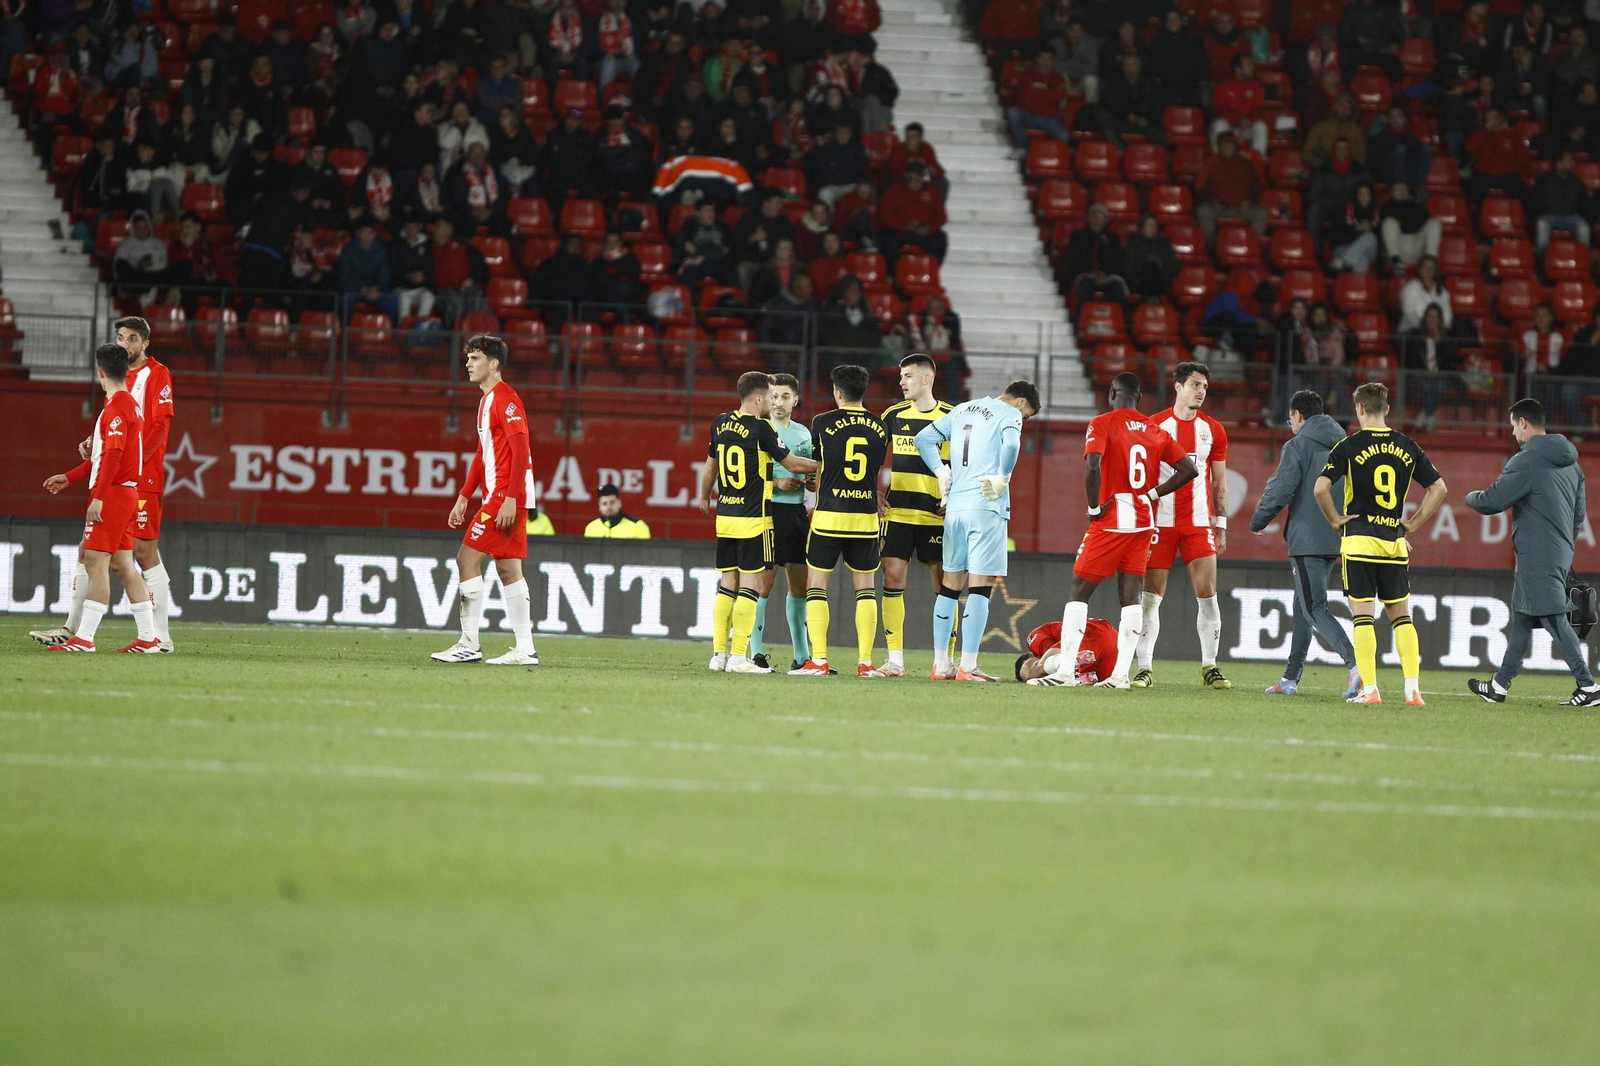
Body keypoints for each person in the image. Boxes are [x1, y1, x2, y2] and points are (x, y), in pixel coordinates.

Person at [1027, 374, 1198, 688]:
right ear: (1139, 397)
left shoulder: (1103, 423)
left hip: (1113, 517)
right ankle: (1120, 676)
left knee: (1079, 590)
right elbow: (1190, 469)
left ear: (1112, 393)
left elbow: (1092, 465)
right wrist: (1153, 493)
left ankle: (1064, 672)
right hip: (1144, 520)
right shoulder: (1155, 430)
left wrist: (1094, 507)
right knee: (1130, 595)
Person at [33, 320, 177, 651]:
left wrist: (117, 476)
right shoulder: (122, 401)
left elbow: (131, 444)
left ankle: (91, 636)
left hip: (124, 484)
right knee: (120, 562)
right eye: (121, 338)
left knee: (111, 556)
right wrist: (82, 462)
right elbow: (113, 446)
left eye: (132, 338)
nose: (126, 343)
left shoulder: (151, 380)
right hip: (126, 483)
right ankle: (146, 637)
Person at [1313, 382, 1449, 705]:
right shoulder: (1407, 445)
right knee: (1402, 617)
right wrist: (1412, 524)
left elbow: (1320, 488)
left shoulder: (1348, 446)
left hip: (1359, 542)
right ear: (1387, 409)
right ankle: (1413, 689)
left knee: (1363, 617)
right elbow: (1439, 488)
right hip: (1393, 542)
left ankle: (1371, 689)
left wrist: (1335, 520)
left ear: (1359, 408)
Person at [1466, 399, 1597, 706]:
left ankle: (1589, 686)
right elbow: (1578, 514)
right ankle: (1499, 685)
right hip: (1558, 550)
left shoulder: (1526, 461)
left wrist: (1469, 496)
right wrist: (1563, 546)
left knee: (1553, 616)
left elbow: (1491, 500)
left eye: (1514, 426)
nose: (1513, 433)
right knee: (1524, 618)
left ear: (1524, 423)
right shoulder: (1573, 464)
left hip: (1537, 553)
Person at [913, 379, 1043, 681]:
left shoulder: (962, 409)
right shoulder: (1009, 413)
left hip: (955, 507)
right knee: (981, 586)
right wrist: (1003, 477)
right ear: (1021, 402)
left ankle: (941, 664)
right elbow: (1012, 444)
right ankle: (968, 666)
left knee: (950, 585)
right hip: (986, 506)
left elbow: (922, 439)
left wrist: (941, 471)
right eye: (1026, 416)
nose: (1023, 420)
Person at [698, 372, 820, 674]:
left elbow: (711, 466)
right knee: (751, 587)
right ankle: (740, 657)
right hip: (754, 519)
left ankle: (718, 655)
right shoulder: (761, 428)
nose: (772, 401)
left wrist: (703, 497)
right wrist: (826, 465)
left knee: (727, 586)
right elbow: (792, 463)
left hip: (726, 517)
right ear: (757, 398)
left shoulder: (720, 422)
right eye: (769, 396)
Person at [431, 335, 540, 666]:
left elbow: (521, 450)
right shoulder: (486, 401)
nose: (468, 364)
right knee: (507, 568)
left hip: (505, 496)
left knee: (466, 560)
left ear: (493, 364)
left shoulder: (507, 400)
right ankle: (525, 649)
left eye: (475, 358)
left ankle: (469, 644)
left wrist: (510, 498)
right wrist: (464, 496)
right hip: (503, 495)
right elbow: (483, 454)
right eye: (468, 358)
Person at [1248, 390, 1361, 697]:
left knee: (1313, 607)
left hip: (1307, 537)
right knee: (1303, 606)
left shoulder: (1298, 445)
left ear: (1298, 416)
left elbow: (1281, 488)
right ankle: (1290, 678)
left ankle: (1357, 666)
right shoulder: (1346, 444)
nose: (1291, 426)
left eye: (1290, 420)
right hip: (1335, 536)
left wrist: (1259, 520)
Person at [1132, 362, 1232, 689]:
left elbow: (1219, 481)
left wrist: (1221, 525)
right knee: (1150, 598)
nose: (1201, 391)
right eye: (1195, 385)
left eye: (1204, 386)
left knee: (1208, 595)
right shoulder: (1154, 425)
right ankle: (1144, 668)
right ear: (1178, 387)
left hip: (1198, 524)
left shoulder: (1213, 430)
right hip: (1159, 523)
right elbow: (1143, 476)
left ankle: (1210, 666)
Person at [789, 365, 891, 677]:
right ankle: (866, 663)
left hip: (829, 517)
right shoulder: (880, 426)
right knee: (866, 588)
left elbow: (820, 466)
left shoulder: (822, 422)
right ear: (864, 390)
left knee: (817, 585)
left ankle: (819, 660)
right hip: (865, 518)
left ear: (837, 391)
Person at [876, 354, 954, 676]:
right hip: (898, 512)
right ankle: (895, 660)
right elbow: (872, 453)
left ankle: (945, 661)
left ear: (926, 379)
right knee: (892, 578)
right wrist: (871, 489)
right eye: (901, 376)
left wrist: (956, 497)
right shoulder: (893, 415)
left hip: (936, 515)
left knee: (945, 585)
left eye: (907, 376)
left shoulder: (951, 416)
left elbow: (968, 461)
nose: (901, 382)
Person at [759, 374, 815, 672]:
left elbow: (811, 475)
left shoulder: (803, 434)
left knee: (800, 587)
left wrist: (813, 483)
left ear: (795, 400)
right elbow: (745, 475)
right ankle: (755, 653)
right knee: (762, 585)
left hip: (796, 515)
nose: (778, 402)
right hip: (767, 513)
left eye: (784, 396)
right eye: (774, 396)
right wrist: (776, 482)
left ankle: (801, 657)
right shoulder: (759, 429)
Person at [1195, 131, 1267, 247]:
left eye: (1230, 144)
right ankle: (1213, 248)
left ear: (1235, 146)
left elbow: (1256, 188)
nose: (1227, 147)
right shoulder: (1210, 164)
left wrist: (1250, 201)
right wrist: (1211, 200)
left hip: (1241, 209)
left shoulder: (1246, 164)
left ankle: (1247, 245)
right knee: (1203, 210)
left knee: (1261, 214)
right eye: (1223, 144)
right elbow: (1199, 188)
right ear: (1218, 146)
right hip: (1218, 207)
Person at [876, 163, 948, 266]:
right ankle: (892, 271)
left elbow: (941, 217)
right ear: (906, 176)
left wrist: (929, 228)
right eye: (911, 179)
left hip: (925, 231)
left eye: (918, 180)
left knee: (940, 239)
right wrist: (903, 226)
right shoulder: (894, 190)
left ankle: (931, 269)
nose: (915, 183)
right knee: (887, 238)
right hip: (900, 231)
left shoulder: (932, 191)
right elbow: (885, 214)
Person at [1014, 616, 1120, 684]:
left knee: (1032, 673)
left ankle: (1069, 661)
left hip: (1090, 633)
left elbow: (1051, 655)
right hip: (1113, 642)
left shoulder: (1033, 641)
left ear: (1029, 658)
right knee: (1096, 679)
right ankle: (1079, 679)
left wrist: (1032, 671)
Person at [1006, 49, 1070, 153]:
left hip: (1049, 118)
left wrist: (1037, 92)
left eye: (1049, 59)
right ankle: (1021, 148)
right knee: (1012, 112)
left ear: (1053, 61)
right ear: (1037, 60)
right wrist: (1048, 93)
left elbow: (1060, 96)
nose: (1046, 62)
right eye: (1043, 58)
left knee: (1064, 136)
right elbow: (1025, 98)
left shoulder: (1058, 78)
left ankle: (1052, 155)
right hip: (1029, 116)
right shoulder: (1027, 76)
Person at [1063, 203, 1127, 306]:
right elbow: (1071, 260)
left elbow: (1119, 261)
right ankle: (1080, 315)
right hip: (1085, 276)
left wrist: (1105, 274)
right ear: (1089, 218)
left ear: (1106, 220)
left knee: (1117, 289)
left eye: (1100, 216)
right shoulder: (1078, 237)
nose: (1096, 220)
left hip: (1107, 277)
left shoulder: (1113, 239)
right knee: (1085, 287)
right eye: (1094, 216)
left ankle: (1120, 315)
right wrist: (1090, 272)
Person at [1532, 151, 1592, 252]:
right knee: (1541, 224)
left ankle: (1582, 258)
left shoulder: (1577, 182)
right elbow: (1536, 202)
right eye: (1569, 161)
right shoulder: (1544, 181)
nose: (1572, 164)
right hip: (1549, 216)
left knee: (1584, 228)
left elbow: (1584, 204)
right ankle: (1542, 259)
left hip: (1571, 216)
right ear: (1559, 164)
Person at [1210, 54, 1269, 154]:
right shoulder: (1223, 86)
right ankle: (1218, 160)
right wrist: (1237, 119)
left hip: (1247, 128)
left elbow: (1259, 110)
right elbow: (1220, 110)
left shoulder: (1257, 87)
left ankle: (1257, 161)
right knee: (1219, 124)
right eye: (1248, 65)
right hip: (1230, 126)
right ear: (1238, 69)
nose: (1252, 67)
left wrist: (1249, 120)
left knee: (1261, 126)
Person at [1380, 182, 1442, 270]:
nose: (1402, 191)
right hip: (1396, 249)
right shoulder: (1386, 208)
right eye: (1398, 189)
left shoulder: (1418, 206)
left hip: (1415, 246)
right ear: (1392, 192)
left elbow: (1425, 223)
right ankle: (1396, 262)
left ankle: (1430, 262)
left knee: (1435, 223)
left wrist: (1404, 221)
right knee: (1389, 222)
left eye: (1404, 188)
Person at [1124, 214, 1179, 301]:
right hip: (1139, 282)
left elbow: (1174, 266)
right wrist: (1145, 262)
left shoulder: (1163, 243)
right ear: (1142, 227)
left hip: (1160, 281)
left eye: (1154, 225)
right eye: (1149, 225)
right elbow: (1128, 267)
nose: (1152, 228)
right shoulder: (1134, 243)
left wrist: (1160, 263)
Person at [1329, 183, 1381, 274]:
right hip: (1345, 247)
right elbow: (1336, 235)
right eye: (1360, 193)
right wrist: (1356, 229)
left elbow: (1381, 240)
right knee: (1362, 260)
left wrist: (1371, 228)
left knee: (1370, 237)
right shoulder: (1345, 210)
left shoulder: (1377, 212)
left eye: (1366, 193)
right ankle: (1354, 283)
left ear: (1371, 195)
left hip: (1369, 251)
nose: (1363, 197)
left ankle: (1341, 261)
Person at [584, 483, 652, 538]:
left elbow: (645, 550)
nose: (609, 507)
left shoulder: (637, 526)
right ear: (599, 506)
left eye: (612, 502)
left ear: (619, 503)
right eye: (604, 503)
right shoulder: (592, 527)